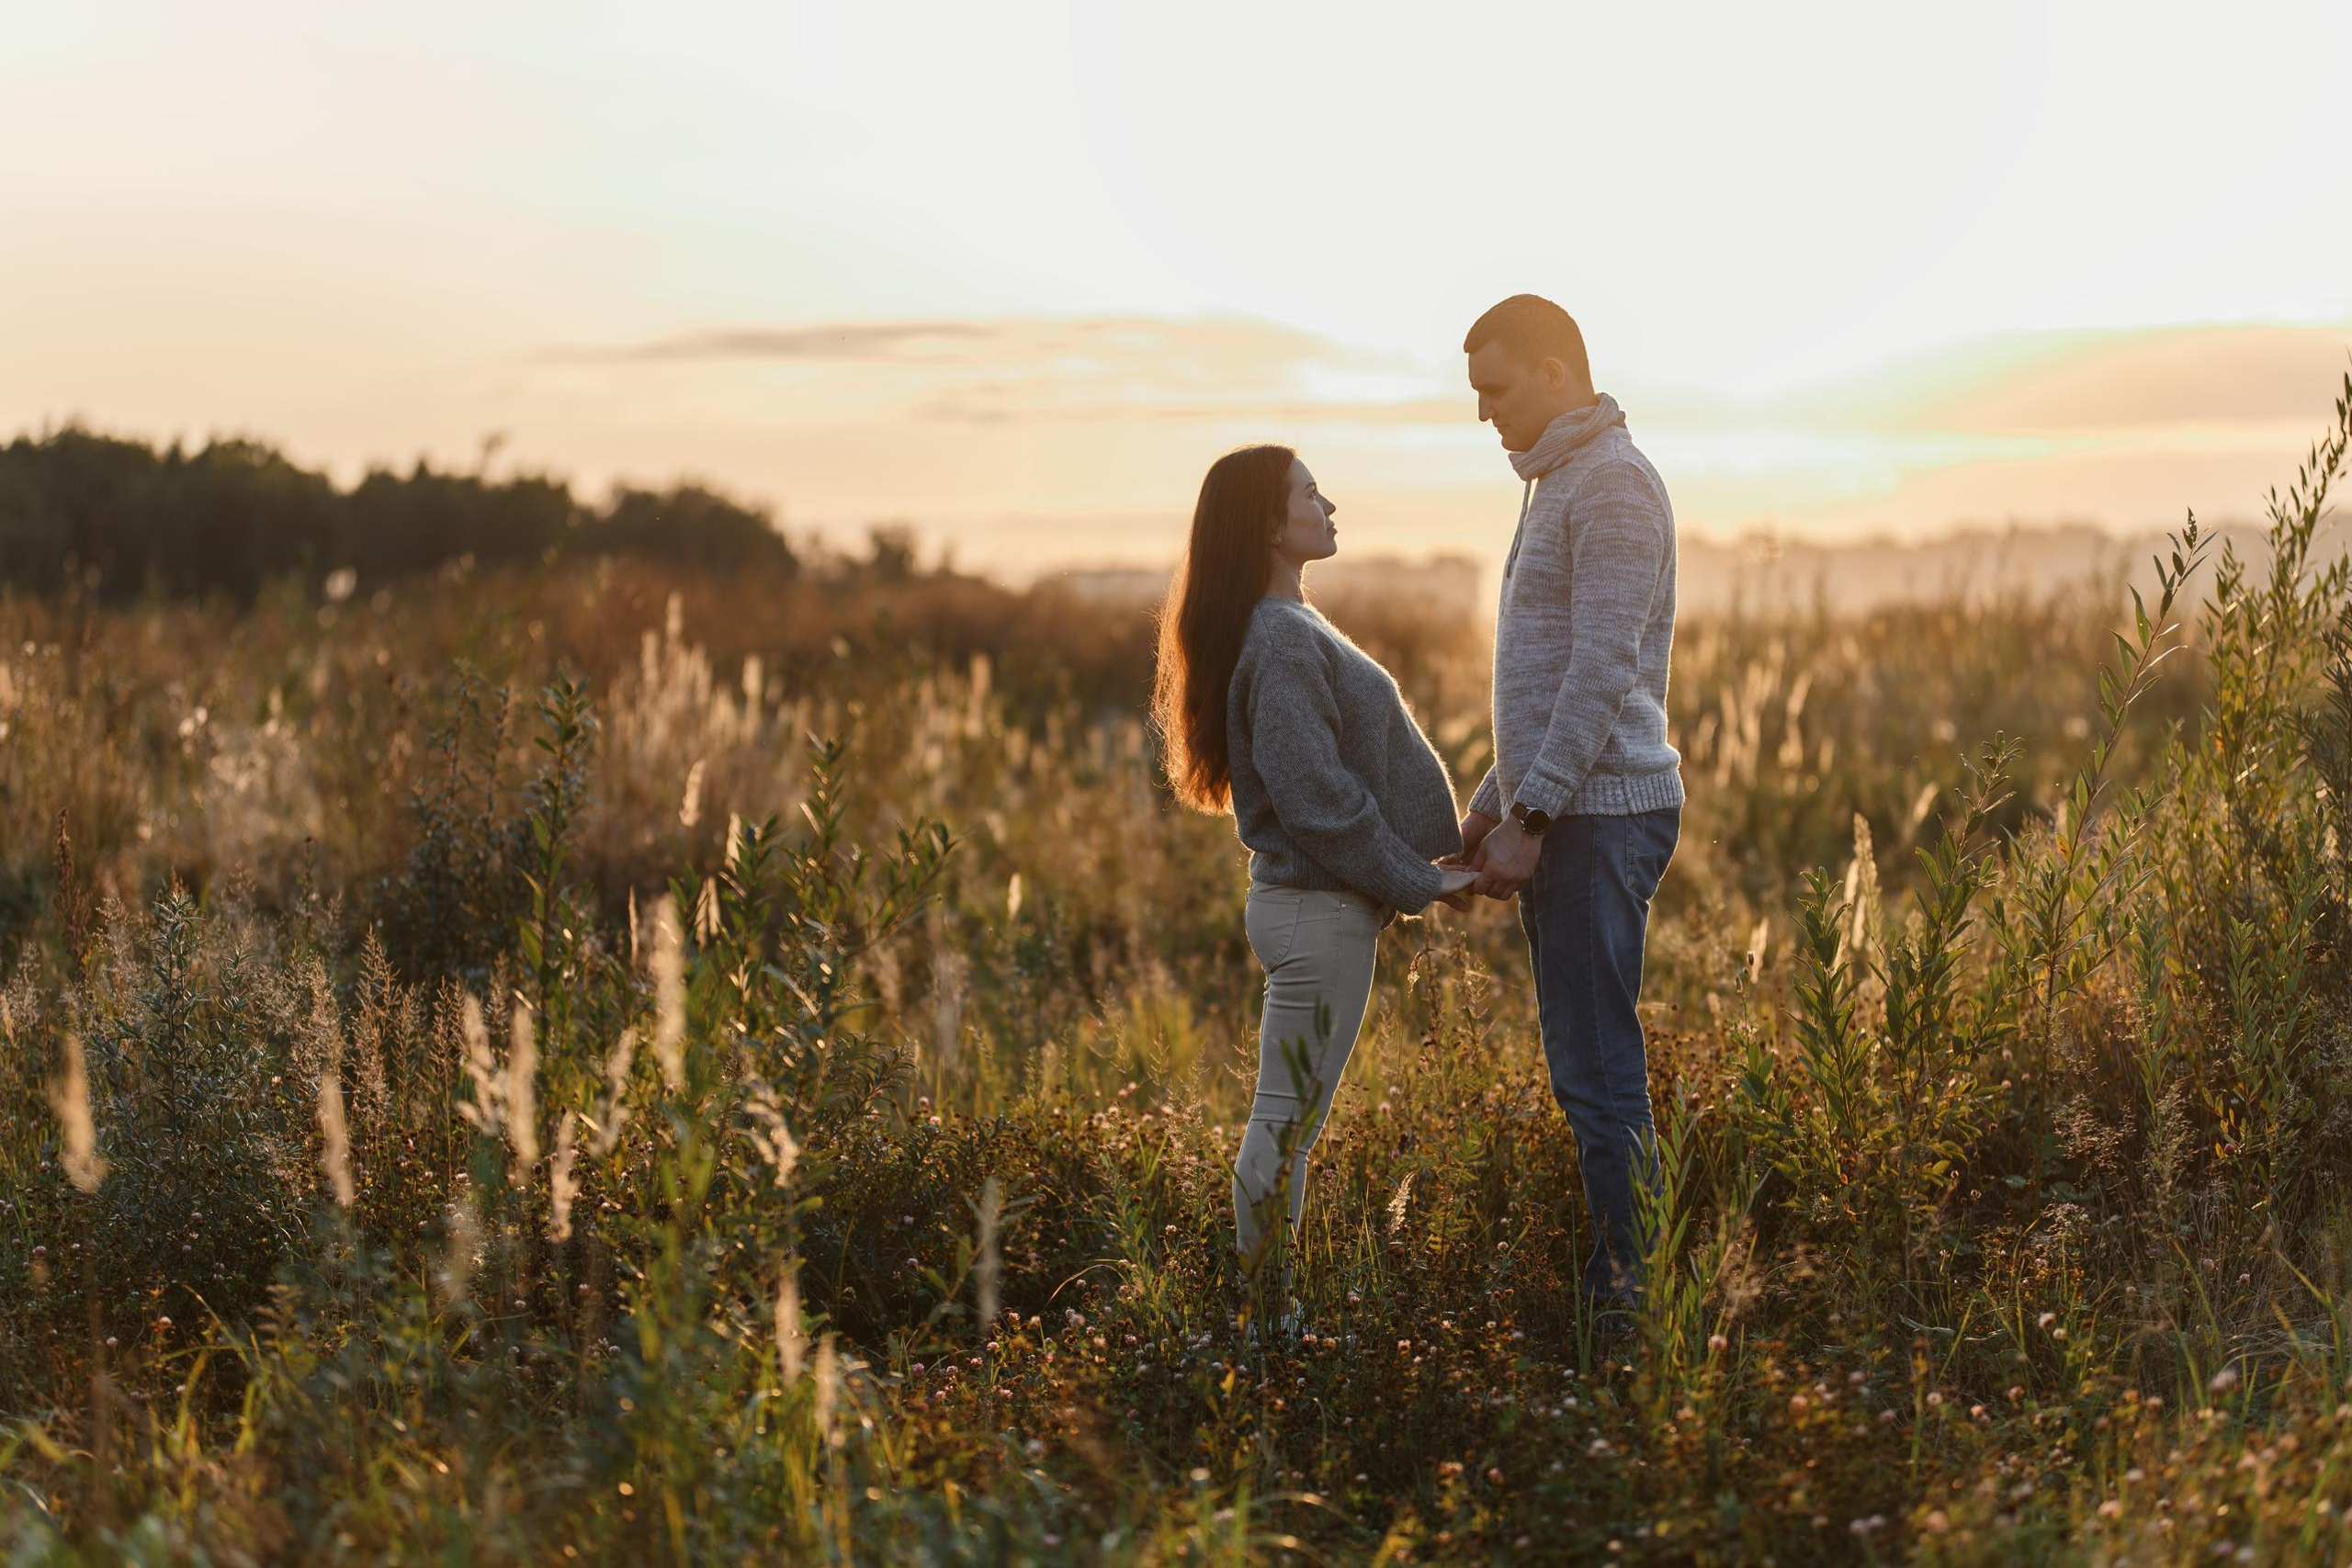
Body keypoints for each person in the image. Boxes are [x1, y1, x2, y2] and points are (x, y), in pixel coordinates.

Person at [1151, 444, 1476, 1316]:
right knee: (1282, 1134)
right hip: (1317, 912)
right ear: (1266, 521)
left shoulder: (1288, 624)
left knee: (1287, 1128)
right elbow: (1314, 797)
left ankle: (1269, 1318)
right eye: (1309, 493)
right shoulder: (1282, 637)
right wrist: (1417, 879)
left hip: (1319, 910)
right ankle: (1266, 1326)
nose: (1330, 505)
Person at [1454, 295, 1683, 1319]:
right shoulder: (1558, 482)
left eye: (1495, 389)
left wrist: (1531, 819)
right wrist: (1494, 799)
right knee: (1586, 1071)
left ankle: (1631, 1306)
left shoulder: (1614, 486)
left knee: (1599, 1078)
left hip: (1598, 819)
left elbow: (1599, 673)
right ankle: (1628, 1289)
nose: (1483, 414)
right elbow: (1545, 681)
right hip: (1566, 811)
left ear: (1555, 374)